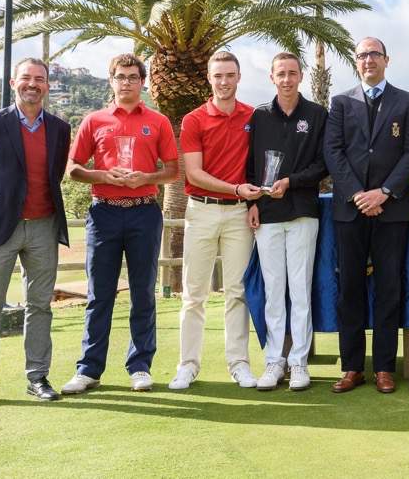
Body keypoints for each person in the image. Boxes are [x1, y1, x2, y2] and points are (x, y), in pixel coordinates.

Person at [61, 53, 178, 395]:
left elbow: (172, 170)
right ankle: (88, 369)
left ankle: (140, 365)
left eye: (132, 77)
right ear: (110, 81)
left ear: (142, 82)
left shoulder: (157, 122)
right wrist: (102, 174)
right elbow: (73, 168)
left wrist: (147, 176)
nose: (126, 82)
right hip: (104, 213)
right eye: (120, 76)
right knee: (100, 294)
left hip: (144, 211)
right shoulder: (94, 120)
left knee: (143, 292)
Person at [0, 58, 71, 409]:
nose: (32, 84)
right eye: (26, 78)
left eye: (39, 79)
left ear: (48, 85)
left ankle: (37, 377)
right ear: (13, 82)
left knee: (39, 306)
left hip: (43, 226)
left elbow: (55, 174)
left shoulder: (59, 128)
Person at [323, 37, 409, 394]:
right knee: (349, 287)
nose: (368, 60)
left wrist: (384, 192)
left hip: (391, 209)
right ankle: (351, 367)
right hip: (350, 211)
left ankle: (383, 367)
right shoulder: (340, 101)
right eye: (362, 55)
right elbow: (333, 152)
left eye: (374, 54)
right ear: (356, 60)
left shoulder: (407, 102)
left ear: (386, 59)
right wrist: (357, 195)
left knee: (389, 288)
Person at [168, 51, 261, 391]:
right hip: (202, 210)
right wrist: (237, 188)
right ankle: (187, 366)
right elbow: (193, 173)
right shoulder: (193, 120)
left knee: (237, 293)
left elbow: (256, 166)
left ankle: (239, 364)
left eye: (229, 75)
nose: (224, 82)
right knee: (194, 294)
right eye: (218, 76)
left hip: (239, 213)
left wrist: (251, 200)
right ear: (209, 78)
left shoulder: (253, 117)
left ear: (238, 77)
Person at [246, 52, 328, 391]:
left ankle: (298, 363)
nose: (287, 79)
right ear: (272, 77)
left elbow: (324, 164)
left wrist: (291, 182)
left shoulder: (317, 114)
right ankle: (273, 361)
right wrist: (250, 201)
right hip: (266, 214)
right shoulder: (259, 117)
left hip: (303, 212)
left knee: (300, 291)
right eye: (281, 73)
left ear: (301, 76)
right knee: (274, 291)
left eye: (292, 73)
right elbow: (249, 165)